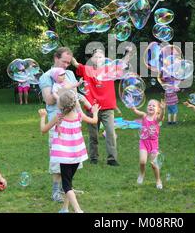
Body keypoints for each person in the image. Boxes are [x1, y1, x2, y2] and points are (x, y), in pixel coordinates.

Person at [38, 90, 100, 213]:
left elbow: (43, 130)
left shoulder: (58, 117)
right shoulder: (79, 115)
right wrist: (95, 112)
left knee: (66, 186)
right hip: (77, 155)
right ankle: (65, 209)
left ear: (60, 105)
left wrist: (43, 117)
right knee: (69, 182)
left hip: (65, 157)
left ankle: (78, 210)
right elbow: (94, 121)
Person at [71, 46, 133, 166]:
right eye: (96, 56)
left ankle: (112, 159)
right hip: (92, 108)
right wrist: (68, 54)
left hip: (107, 108)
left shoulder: (110, 70)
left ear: (104, 59)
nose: (98, 58)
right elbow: (75, 63)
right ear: (92, 59)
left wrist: (129, 52)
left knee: (110, 133)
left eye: (101, 56)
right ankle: (93, 157)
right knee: (93, 135)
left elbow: (123, 62)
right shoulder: (86, 69)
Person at [39, 47, 80, 202]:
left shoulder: (69, 73)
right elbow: (49, 100)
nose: (66, 66)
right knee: (58, 159)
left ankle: (66, 188)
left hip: (72, 121)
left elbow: (75, 95)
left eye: (69, 63)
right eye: (64, 61)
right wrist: (67, 90)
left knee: (72, 158)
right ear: (56, 58)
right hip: (57, 122)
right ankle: (56, 191)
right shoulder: (46, 77)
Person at [130, 99, 166, 189]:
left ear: (158, 110)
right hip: (143, 141)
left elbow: (161, 117)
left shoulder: (157, 119)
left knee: (154, 164)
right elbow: (137, 112)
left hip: (153, 143)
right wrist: (134, 109)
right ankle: (142, 174)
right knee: (142, 161)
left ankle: (158, 180)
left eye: (154, 106)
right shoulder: (144, 116)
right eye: (149, 105)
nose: (151, 106)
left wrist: (163, 109)